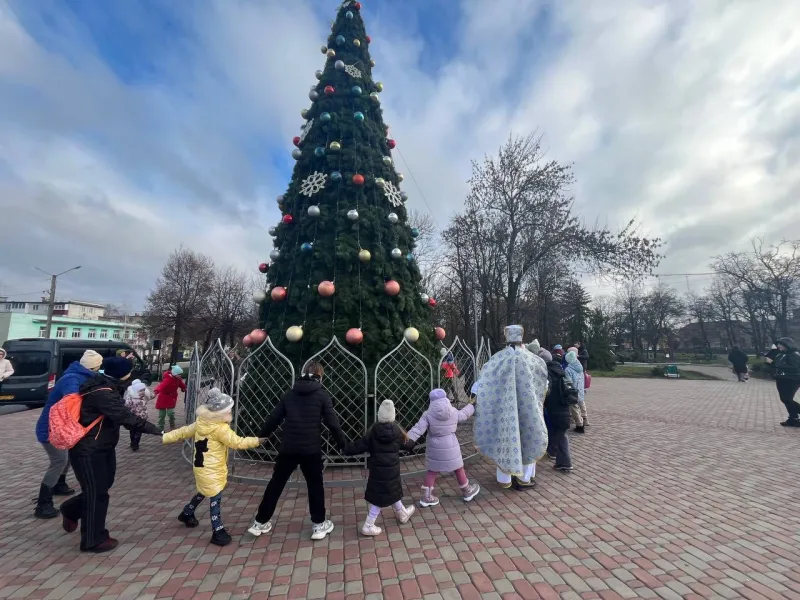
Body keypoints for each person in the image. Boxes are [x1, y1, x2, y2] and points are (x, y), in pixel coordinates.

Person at [59, 357, 161, 553]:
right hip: (88, 450)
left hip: (102, 446)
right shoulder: (102, 392)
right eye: (130, 371)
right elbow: (125, 417)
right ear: (123, 374)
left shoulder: (108, 386)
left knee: (103, 486)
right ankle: (93, 540)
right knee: (96, 493)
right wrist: (159, 431)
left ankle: (71, 509)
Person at [247, 361, 347, 540]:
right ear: (320, 377)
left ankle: (260, 522)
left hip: (288, 447)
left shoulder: (289, 395)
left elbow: (274, 418)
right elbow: (333, 422)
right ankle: (319, 524)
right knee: (315, 486)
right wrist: (343, 444)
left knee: (276, 484)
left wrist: (261, 437)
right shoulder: (322, 396)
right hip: (311, 449)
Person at [163, 388, 262, 546]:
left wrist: (166, 436)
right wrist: (257, 441)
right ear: (221, 413)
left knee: (203, 491)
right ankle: (218, 531)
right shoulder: (220, 429)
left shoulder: (201, 423)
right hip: (212, 469)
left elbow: (183, 431)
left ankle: (187, 513)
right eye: (229, 410)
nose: (231, 412)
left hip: (201, 466)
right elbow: (238, 442)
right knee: (215, 498)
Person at [474, 325, 549, 491]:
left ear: (506, 336)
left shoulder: (497, 359)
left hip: (504, 411)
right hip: (528, 409)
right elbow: (543, 383)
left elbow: (482, 385)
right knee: (528, 438)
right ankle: (524, 478)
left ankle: (505, 478)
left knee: (506, 439)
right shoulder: (533, 360)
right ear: (522, 336)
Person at [33, 350, 102, 519]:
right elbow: (72, 402)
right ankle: (43, 503)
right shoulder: (72, 379)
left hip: (63, 426)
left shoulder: (81, 375)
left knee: (68, 455)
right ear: (94, 366)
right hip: (53, 428)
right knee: (59, 460)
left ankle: (59, 484)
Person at [343, 399, 415, 536]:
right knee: (380, 498)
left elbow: (358, 446)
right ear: (393, 415)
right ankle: (368, 525)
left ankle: (402, 513)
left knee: (388, 492)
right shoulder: (397, 432)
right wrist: (412, 443)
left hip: (377, 472)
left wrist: (346, 448)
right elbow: (409, 445)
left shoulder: (373, 433)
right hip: (392, 471)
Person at [406, 389, 480, 507]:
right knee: (458, 468)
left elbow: (418, 428)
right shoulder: (453, 411)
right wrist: (471, 406)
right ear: (445, 398)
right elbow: (464, 414)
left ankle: (427, 496)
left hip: (435, 447)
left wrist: (408, 439)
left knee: (432, 471)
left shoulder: (428, 414)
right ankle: (467, 491)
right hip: (451, 445)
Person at [543, 351, 579, 472]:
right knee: (561, 435)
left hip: (554, 410)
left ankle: (563, 461)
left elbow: (546, 392)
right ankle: (560, 460)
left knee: (558, 436)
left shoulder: (547, 375)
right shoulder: (561, 372)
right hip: (564, 408)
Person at [773, 338, 800, 427]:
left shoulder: (794, 354)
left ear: (786, 344)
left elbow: (795, 367)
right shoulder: (781, 354)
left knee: (787, 399)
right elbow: (775, 364)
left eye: (780, 344)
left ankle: (794, 418)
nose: (778, 346)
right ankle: (793, 419)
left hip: (792, 380)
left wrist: (779, 366)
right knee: (785, 399)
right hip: (781, 379)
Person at [123, 379, 154, 451]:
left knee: (132, 430)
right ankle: (135, 444)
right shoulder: (145, 394)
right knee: (139, 431)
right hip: (142, 416)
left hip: (132, 415)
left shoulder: (130, 395)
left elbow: (127, 405)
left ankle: (132, 442)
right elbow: (152, 396)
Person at [153, 365, 186, 431]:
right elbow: (161, 386)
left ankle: (172, 423)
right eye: (179, 374)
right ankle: (160, 427)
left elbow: (182, 385)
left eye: (180, 374)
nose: (180, 376)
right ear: (174, 374)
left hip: (171, 398)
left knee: (170, 412)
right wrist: (156, 392)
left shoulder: (178, 379)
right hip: (163, 398)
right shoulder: (167, 380)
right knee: (162, 414)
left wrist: (185, 388)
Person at [564, 351, 588, 432]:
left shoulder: (568, 369)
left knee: (574, 407)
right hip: (580, 389)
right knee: (581, 403)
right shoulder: (580, 367)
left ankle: (579, 425)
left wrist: (567, 390)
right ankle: (585, 419)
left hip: (573, 391)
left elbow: (568, 382)